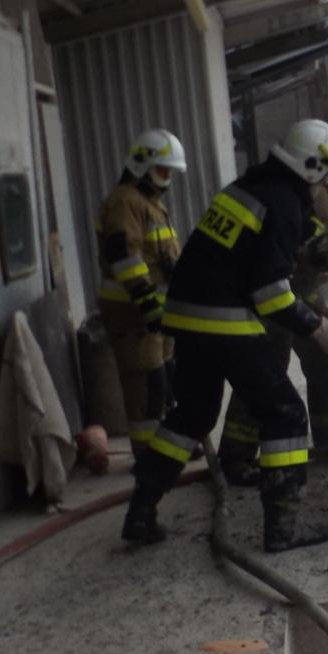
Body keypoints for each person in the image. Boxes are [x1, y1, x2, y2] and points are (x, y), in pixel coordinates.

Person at [121, 119, 328, 551]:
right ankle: (283, 530)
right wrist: (317, 326)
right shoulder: (282, 200)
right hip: (223, 317)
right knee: (284, 413)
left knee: (191, 414)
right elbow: (270, 294)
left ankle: (141, 510)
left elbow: (260, 251)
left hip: (186, 316)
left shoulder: (247, 188)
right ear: (313, 166)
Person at [215, 145, 328, 488]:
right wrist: (319, 258)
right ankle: (235, 458)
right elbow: (289, 253)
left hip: (304, 290)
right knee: (267, 372)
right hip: (274, 294)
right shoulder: (314, 200)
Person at [95, 128, 186, 454]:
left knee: (164, 379)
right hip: (133, 312)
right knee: (145, 387)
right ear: (140, 165)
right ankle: (149, 457)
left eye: (169, 172)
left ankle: (168, 444)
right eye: (162, 171)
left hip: (155, 312)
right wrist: (147, 302)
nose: (166, 179)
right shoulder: (125, 202)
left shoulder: (149, 204)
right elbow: (125, 257)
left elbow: (161, 255)